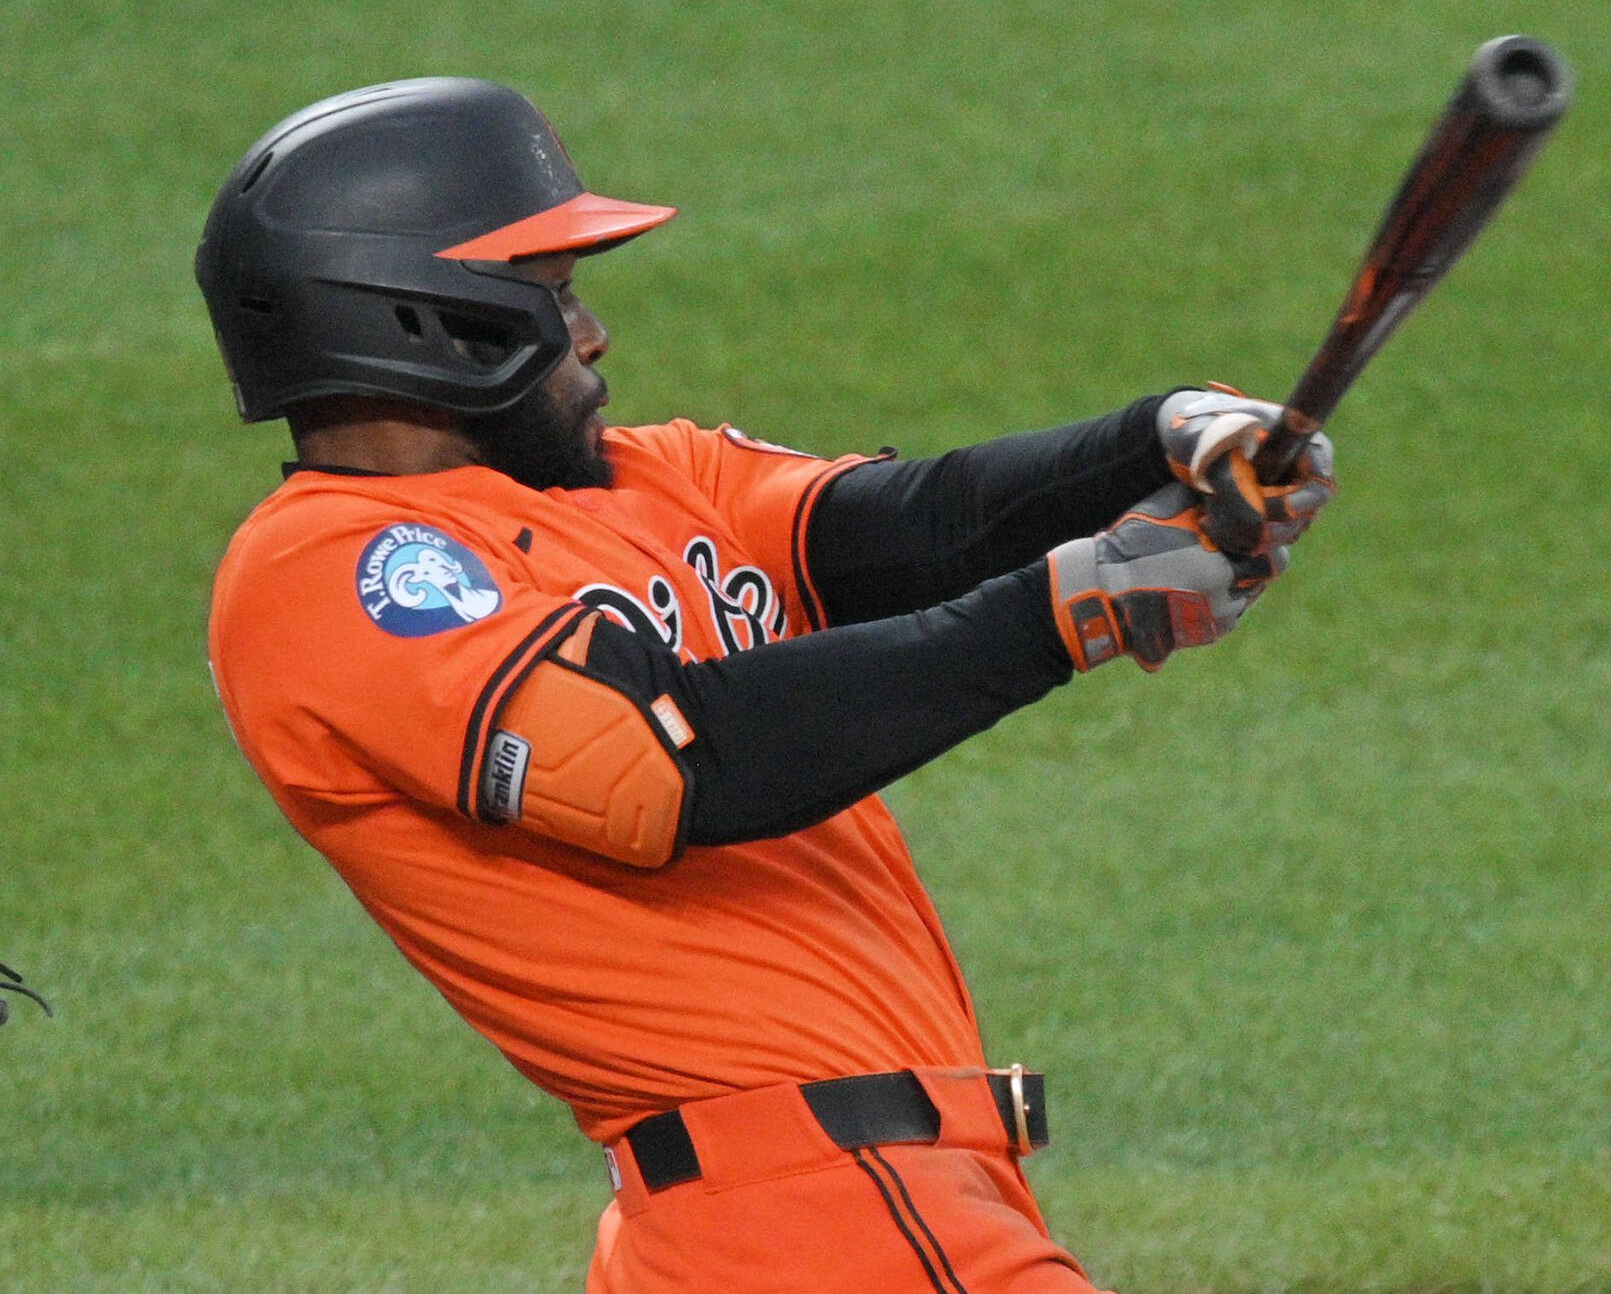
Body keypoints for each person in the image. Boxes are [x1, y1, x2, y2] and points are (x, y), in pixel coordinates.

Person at [199, 78, 1334, 1293]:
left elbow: (917, 528)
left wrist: (1167, 437)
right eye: (552, 293)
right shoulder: (339, 568)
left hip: (825, 1215)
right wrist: (1076, 608)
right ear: (428, 316)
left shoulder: (640, 480)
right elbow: (672, 763)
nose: (590, 336)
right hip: (812, 1224)